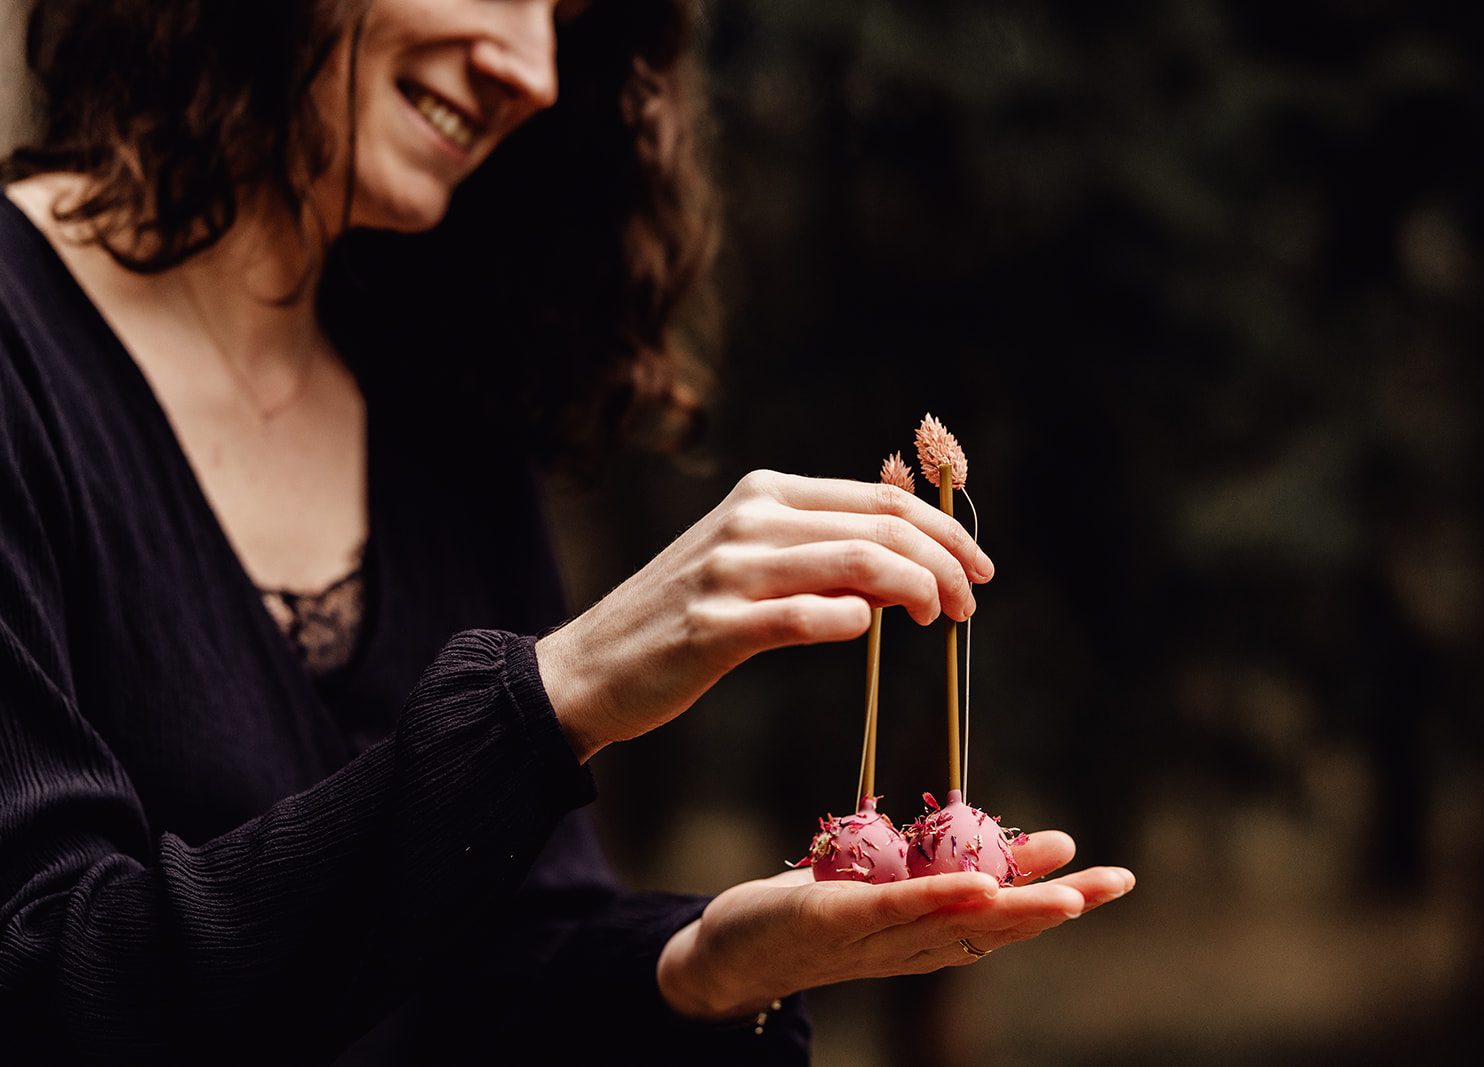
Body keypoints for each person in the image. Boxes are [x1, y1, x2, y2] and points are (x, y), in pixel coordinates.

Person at [0, 0, 1136, 1062]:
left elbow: (490, 978)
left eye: (569, 12)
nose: (535, 71)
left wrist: (697, 967)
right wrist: (546, 699)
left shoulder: (435, 400)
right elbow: (46, 984)